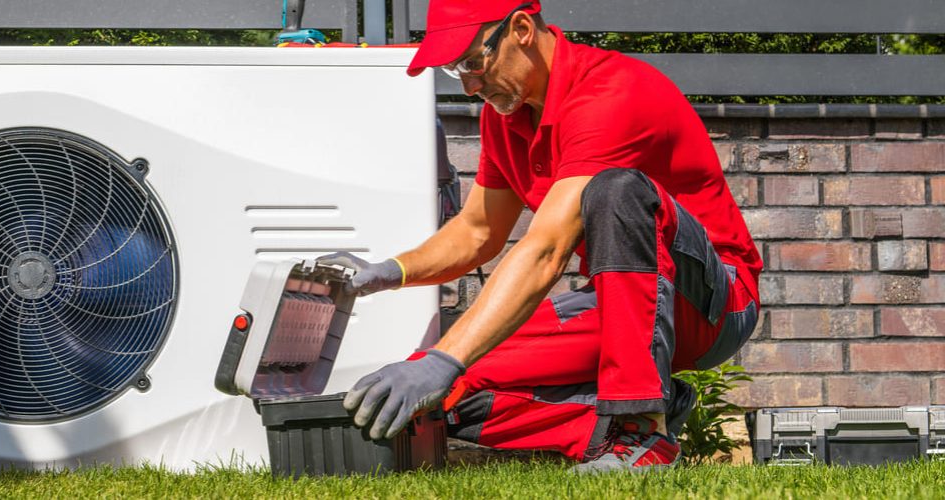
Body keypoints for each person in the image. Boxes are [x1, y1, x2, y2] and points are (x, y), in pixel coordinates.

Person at [317, 0, 761, 473]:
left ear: (522, 29)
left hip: (714, 304)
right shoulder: (506, 118)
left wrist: (447, 356)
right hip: (623, 308)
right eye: (454, 71)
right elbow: (477, 231)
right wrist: (391, 272)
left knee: (616, 191)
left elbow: (546, 248)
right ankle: (628, 420)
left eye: (472, 62)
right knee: (447, 388)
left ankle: (640, 429)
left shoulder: (611, 92)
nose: (468, 85)